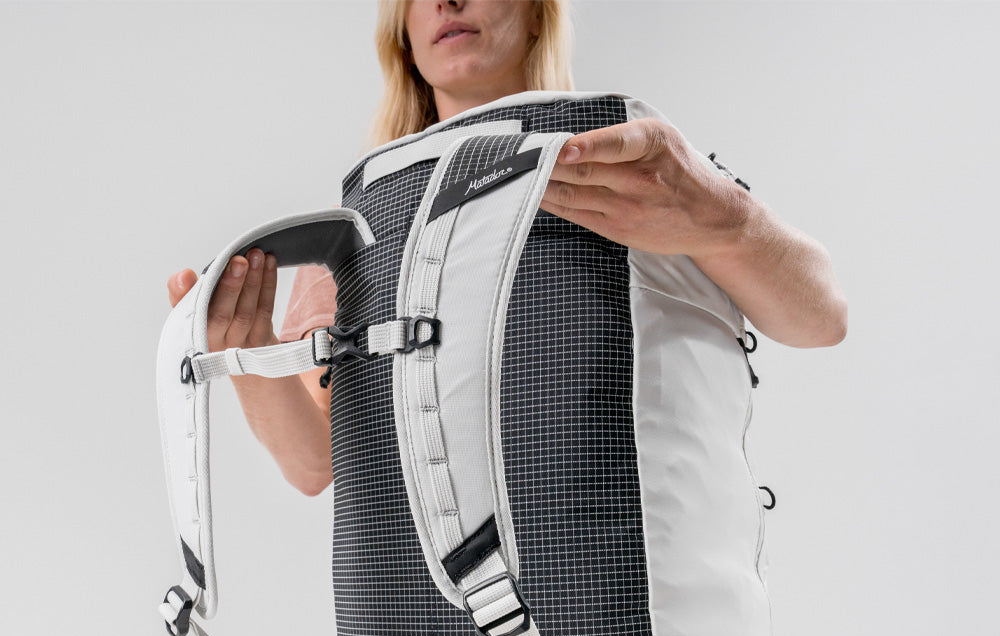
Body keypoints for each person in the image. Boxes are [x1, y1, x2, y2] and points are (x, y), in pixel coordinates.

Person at [166, 0, 846, 499]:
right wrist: (249, 351)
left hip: (615, 601)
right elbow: (318, 464)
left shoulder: (641, 174)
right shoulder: (360, 231)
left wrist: (729, 222)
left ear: (536, 13)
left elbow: (821, 317)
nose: (448, 2)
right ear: (404, 36)